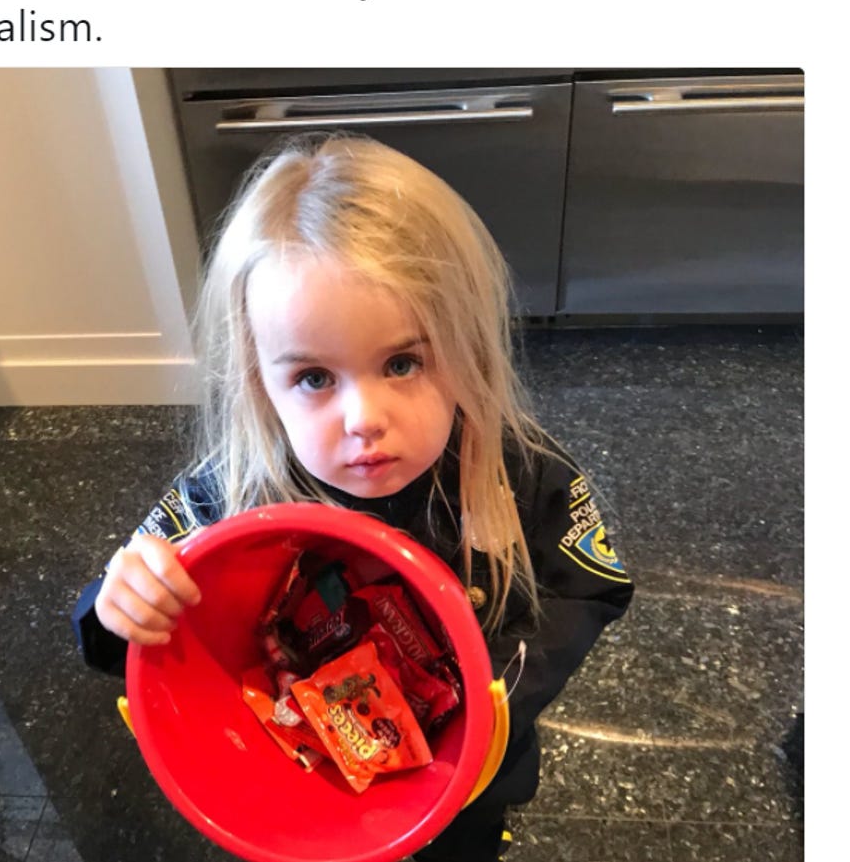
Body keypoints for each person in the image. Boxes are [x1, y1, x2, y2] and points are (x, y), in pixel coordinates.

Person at [72, 134, 634, 862]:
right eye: (313, 378)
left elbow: (592, 584)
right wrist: (117, 604)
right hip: (304, 788)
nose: (364, 418)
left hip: (465, 789)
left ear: (468, 348)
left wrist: (490, 694)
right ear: (259, 383)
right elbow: (130, 628)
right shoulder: (233, 486)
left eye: (402, 363)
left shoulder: (518, 468)